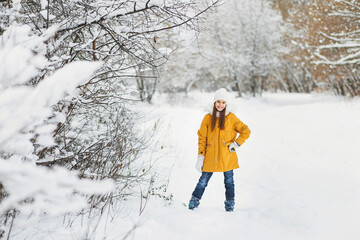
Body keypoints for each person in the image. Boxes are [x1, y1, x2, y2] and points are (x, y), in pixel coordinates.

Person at [188, 88, 251, 212]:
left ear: (226, 104)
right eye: (218, 102)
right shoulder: (207, 118)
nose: (220, 105)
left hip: (227, 156)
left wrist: (236, 144)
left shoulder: (231, 117)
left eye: (223, 102)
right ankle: (194, 201)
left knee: (229, 182)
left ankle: (230, 204)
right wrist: (200, 157)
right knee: (203, 181)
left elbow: (246, 131)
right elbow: (202, 138)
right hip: (210, 156)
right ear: (214, 103)